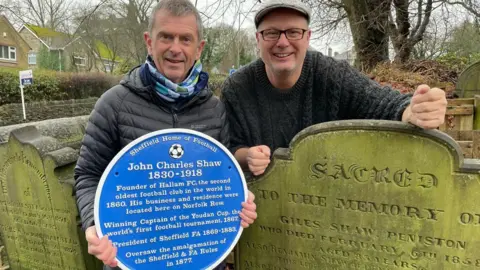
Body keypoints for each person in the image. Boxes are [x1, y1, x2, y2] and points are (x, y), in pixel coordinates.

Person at [73, 0, 257, 269]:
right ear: (149, 41)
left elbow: (221, 175)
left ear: (199, 48)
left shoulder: (214, 109)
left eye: (185, 39)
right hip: (134, 257)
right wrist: (92, 223)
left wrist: (239, 199)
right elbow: (88, 175)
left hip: (200, 258)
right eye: (166, 37)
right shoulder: (113, 104)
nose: (175, 48)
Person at [221, 0, 448, 176]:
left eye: (293, 32)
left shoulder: (332, 75)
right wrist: (247, 156)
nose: (282, 42)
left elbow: (383, 103)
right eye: (271, 32)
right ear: (258, 39)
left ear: (307, 37)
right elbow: (228, 148)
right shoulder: (236, 87)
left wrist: (415, 110)